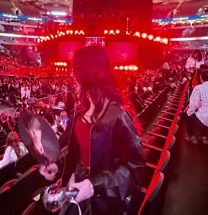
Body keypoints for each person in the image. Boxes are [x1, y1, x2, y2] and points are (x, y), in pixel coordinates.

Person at [39, 45, 145, 215]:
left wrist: (94, 184)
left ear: (87, 74)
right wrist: (57, 165)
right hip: (77, 189)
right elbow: (77, 152)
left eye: (75, 70)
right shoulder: (80, 111)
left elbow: (135, 167)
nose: (72, 75)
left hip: (104, 201)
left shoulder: (117, 116)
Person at [186, 70, 208, 144]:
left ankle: (192, 137)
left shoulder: (198, 88)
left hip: (203, 116)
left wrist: (189, 112)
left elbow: (193, 105)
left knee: (188, 115)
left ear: (201, 78)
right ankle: (204, 137)